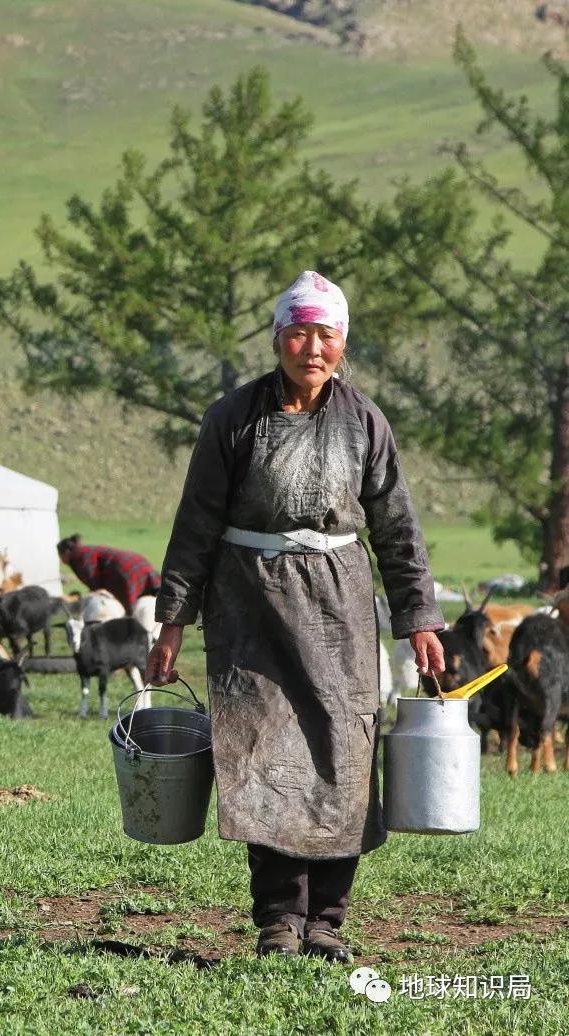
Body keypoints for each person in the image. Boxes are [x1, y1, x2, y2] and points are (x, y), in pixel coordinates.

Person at [146, 271, 446, 964]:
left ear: (342, 344)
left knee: (345, 754)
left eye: (327, 335)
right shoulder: (233, 418)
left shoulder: (364, 420)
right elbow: (195, 524)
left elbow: (397, 526)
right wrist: (171, 623)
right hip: (248, 605)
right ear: (279, 336)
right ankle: (280, 921)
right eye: (301, 332)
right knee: (260, 755)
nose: (313, 347)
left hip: (339, 603)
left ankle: (328, 923)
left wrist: (419, 618)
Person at [57, 534, 161, 614]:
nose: (61, 560)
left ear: (66, 553)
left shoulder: (79, 557)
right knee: (151, 604)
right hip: (139, 562)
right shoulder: (85, 551)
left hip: (124, 570)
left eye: (60, 556)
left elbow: (94, 582)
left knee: (130, 611)